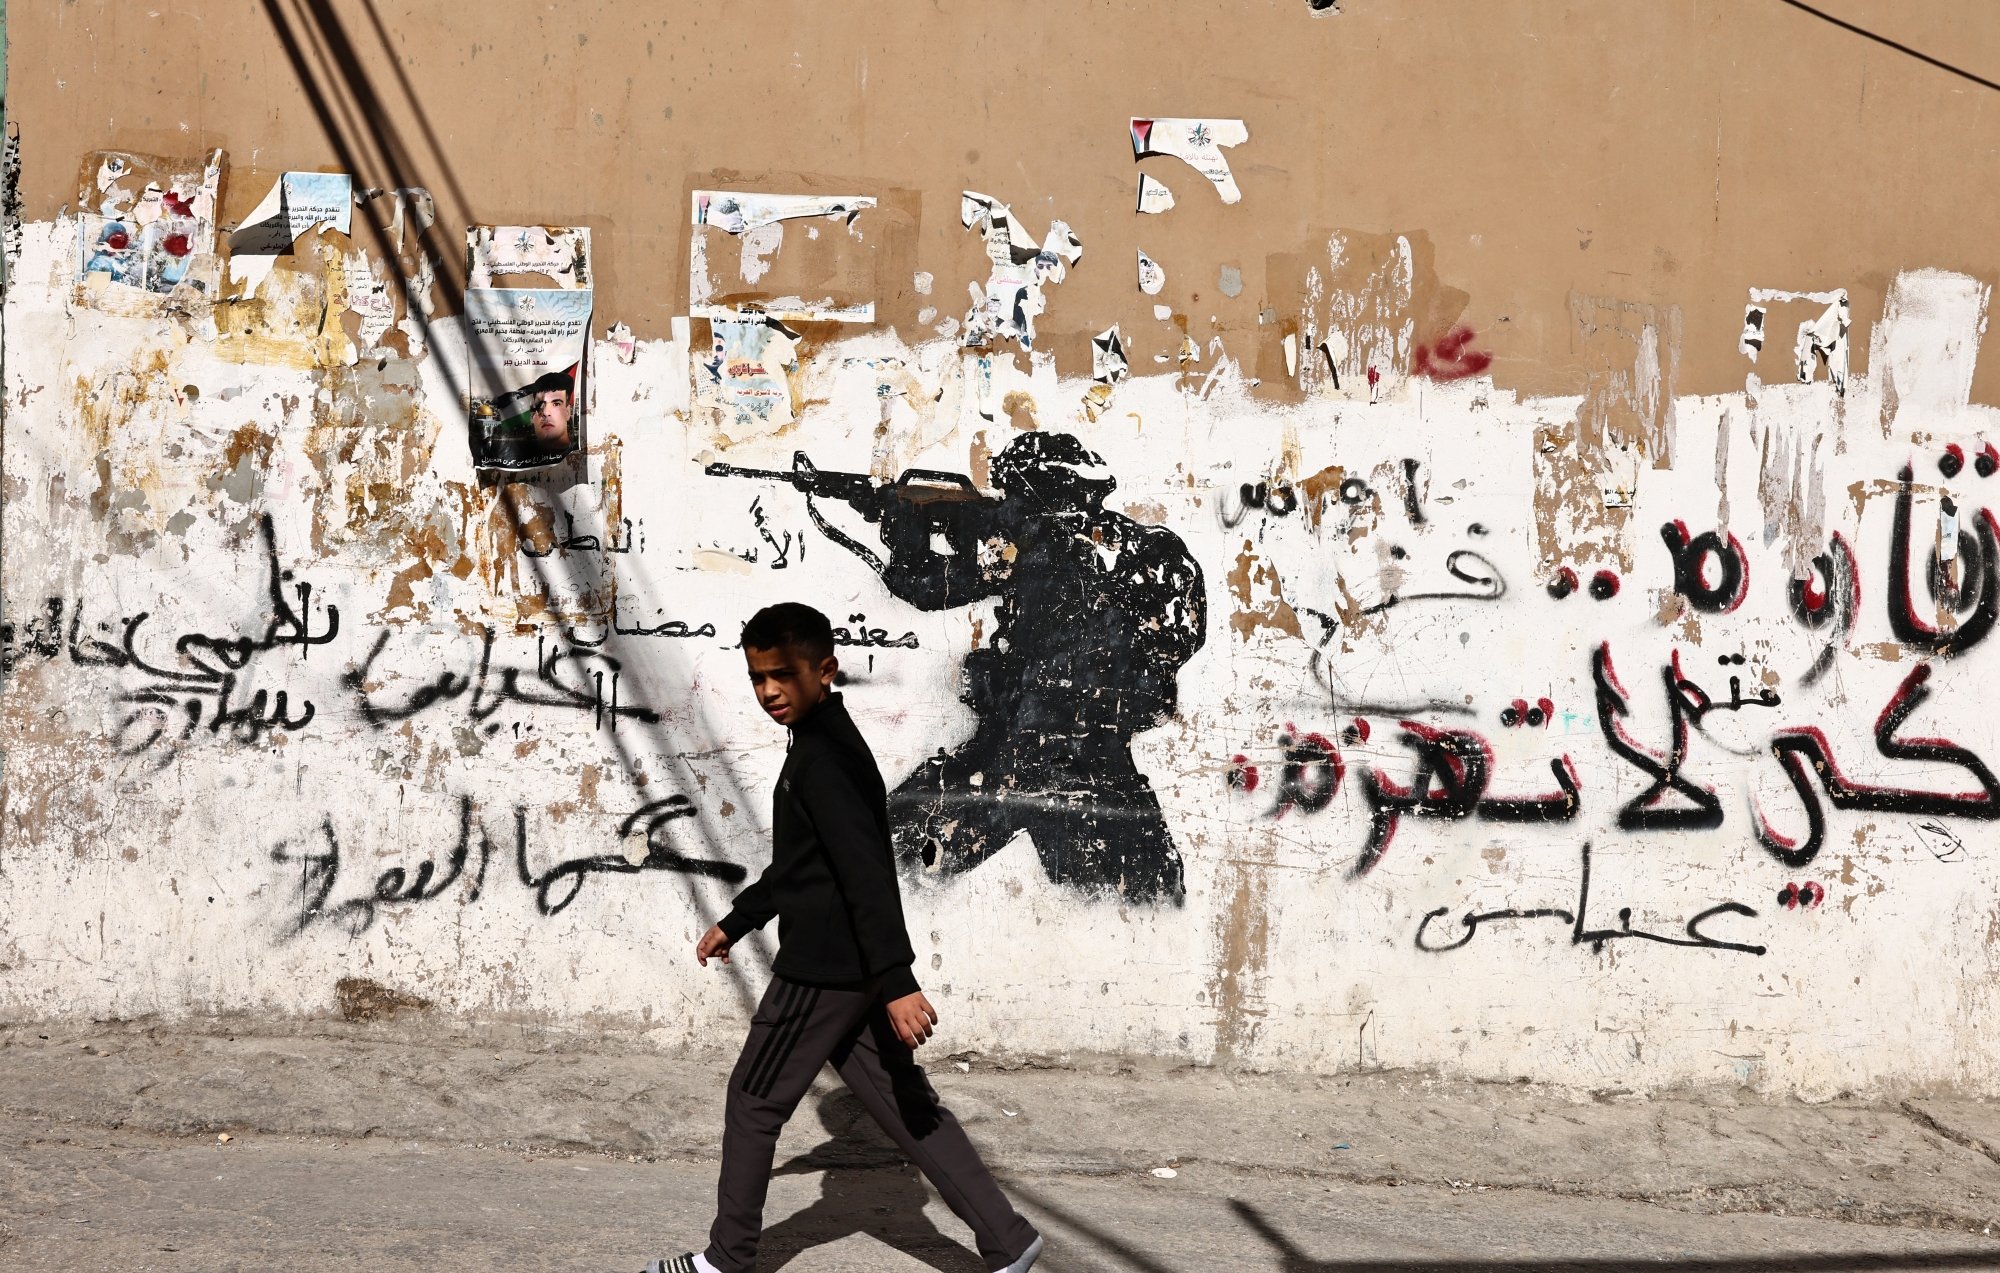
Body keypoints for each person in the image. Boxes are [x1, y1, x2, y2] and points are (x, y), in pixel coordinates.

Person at [644, 602, 1043, 1273]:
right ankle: (1009, 1240)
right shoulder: (820, 742)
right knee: (905, 1106)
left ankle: (728, 1258)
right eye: (757, 677)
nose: (769, 690)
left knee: (753, 1101)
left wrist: (898, 981)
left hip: (824, 971)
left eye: (782, 675)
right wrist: (738, 920)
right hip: (852, 969)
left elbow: (865, 874)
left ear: (823, 670)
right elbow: (805, 866)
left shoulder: (824, 759)